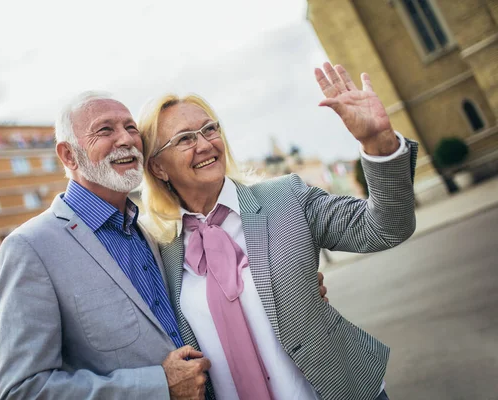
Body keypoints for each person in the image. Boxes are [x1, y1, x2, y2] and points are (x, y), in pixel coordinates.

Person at [0, 90, 331, 399]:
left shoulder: (157, 235)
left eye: (130, 128)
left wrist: (285, 284)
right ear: (69, 154)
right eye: (105, 131)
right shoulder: (30, 248)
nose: (126, 139)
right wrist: (158, 386)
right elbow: (23, 390)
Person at [138, 62, 418, 400]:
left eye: (209, 129)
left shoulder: (286, 198)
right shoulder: (160, 251)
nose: (205, 144)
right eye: (185, 139)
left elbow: (386, 227)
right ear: (157, 167)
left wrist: (378, 141)